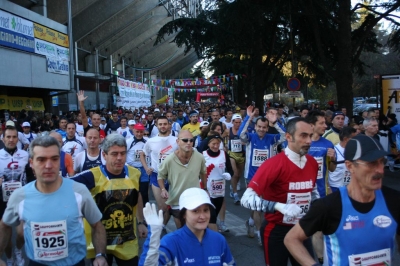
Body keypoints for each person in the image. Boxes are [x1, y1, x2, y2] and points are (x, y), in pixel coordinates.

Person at [284, 134, 400, 266]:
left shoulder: (394, 200)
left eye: (382, 162)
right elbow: (291, 239)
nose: (380, 170)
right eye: (371, 163)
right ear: (350, 166)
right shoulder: (330, 205)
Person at [0, 136, 107, 266]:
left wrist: (100, 255)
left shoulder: (79, 192)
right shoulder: (19, 196)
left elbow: (97, 225)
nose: (49, 165)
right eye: (41, 159)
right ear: (31, 163)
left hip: (74, 263)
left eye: (54, 159)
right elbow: (5, 225)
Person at [240, 117, 320, 266]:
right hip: (276, 231)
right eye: (303, 136)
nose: (309, 141)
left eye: (310, 135)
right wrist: (279, 206)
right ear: (288, 137)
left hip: (301, 229)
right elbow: (246, 198)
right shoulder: (273, 164)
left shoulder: (313, 163)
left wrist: (319, 208)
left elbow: (313, 192)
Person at [72, 134, 147, 266]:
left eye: (123, 153)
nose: (119, 158)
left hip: (126, 240)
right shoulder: (91, 176)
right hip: (101, 242)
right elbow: (62, 185)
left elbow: (138, 195)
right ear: (104, 155)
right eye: (114, 154)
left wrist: (141, 222)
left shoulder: (135, 173)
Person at [139, 188, 236, 265]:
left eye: (206, 210)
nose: (202, 216)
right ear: (184, 214)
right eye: (195, 211)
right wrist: (152, 240)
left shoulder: (218, 240)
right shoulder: (170, 242)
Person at [238, 105, 285, 246]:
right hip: (252, 176)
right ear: (255, 126)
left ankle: (251, 222)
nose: (261, 129)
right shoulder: (250, 137)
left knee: (260, 204)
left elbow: (286, 135)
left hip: (269, 177)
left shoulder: (272, 138)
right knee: (257, 205)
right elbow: (241, 134)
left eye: (264, 127)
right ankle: (260, 234)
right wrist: (249, 117)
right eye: (259, 126)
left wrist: (275, 123)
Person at [157, 130, 207, 229]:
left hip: (194, 199)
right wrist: (163, 189)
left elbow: (203, 172)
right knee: (182, 230)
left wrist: (205, 189)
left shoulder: (199, 157)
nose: (188, 143)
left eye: (191, 140)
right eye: (185, 140)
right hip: (177, 200)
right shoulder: (169, 159)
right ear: (178, 141)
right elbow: (160, 176)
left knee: (194, 228)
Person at [140, 116, 178, 233]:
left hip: (173, 176)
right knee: (162, 206)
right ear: (156, 125)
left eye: (165, 124)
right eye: (160, 124)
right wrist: (146, 168)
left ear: (169, 125)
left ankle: (162, 225)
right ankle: (159, 226)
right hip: (156, 176)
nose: (163, 126)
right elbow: (142, 154)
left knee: (170, 206)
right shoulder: (151, 141)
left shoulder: (176, 140)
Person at [0, 126, 29, 266]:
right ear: (3, 138)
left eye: (14, 137)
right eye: (8, 137)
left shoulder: (24, 155)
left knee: (21, 233)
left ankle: (18, 250)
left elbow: (30, 174)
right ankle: (10, 258)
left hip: (20, 198)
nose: (11, 140)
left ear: (18, 139)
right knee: (5, 235)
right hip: (2, 199)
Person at [202, 134, 233, 231]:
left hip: (220, 190)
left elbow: (230, 170)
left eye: (218, 144)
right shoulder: (203, 155)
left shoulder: (224, 154)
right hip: (206, 190)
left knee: (215, 213)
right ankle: (212, 239)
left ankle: (205, 232)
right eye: (213, 143)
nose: (215, 146)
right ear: (208, 144)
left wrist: (229, 175)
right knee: (212, 217)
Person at [126, 123, 151, 205]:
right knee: (132, 191)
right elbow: (123, 154)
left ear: (143, 131)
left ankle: (145, 211)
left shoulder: (147, 141)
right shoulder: (128, 142)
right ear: (133, 131)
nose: (139, 134)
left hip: (144, 169)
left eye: (141, 132)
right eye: (137, 132)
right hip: (132, 169)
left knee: (144, 191)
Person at [224, 114, 245, 204]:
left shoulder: (244, 131)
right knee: (235, 174)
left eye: (239, 122)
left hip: (241, 154)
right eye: (236, 122)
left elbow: (248, 140)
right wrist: (224, 146)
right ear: (232, 122)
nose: (238, 124)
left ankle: (233, 187)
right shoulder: (228, 131)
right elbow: (221, 137)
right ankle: (235, 193)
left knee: (239, 175)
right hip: (231, 154)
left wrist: (245, 143)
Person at [328, 126, 357, 191]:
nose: (356, 140)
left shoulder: (355, 151)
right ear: (346, 139)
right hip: (335, 187)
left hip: (349, 187)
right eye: (354, 138)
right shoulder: (333, 150)